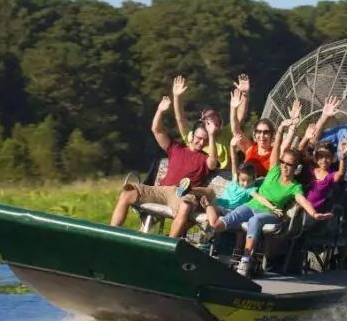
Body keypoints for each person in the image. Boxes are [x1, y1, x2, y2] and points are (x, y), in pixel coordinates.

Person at [207, 119, 333, 276]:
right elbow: (278, 147)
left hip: (271, 214)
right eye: (283, 162)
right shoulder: (274, 171)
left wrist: (314, 213)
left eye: (290, 164)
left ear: (295, 167)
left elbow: (303, 200)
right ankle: (207, 241)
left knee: (255, 221)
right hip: (252, 205)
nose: (285, 166)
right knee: (229, 217)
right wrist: (280, 129)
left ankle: (245, 262)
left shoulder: (295, 186)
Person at [109, 96, 218, 238]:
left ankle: (169, 245)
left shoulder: (205, 158)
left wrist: (212, 135)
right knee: (127, 192)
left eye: (205, 140)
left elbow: (213, 163)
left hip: (183, 195)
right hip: (162, 190)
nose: (200, 142)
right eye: (198, 138)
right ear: (192, 135)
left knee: (185, 207)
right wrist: (160, 111)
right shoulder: (176, 148)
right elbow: (156, 130)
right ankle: (111, 233)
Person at [172, 74, 250, 171]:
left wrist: (244, 94)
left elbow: (239, 118)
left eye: (215, 123)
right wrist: (176, 97)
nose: (211, 126)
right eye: (208, 121)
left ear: (220, 125)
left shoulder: (224, 134)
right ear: (202, 122)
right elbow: (180, 118)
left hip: (225, 176)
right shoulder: (194, 136)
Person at [229, 89, 301, 177]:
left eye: (266, 132)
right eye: (259, 132)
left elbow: (287, 142)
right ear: (255, 134)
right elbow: (236, 131)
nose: (262, 135)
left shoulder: (275, 153)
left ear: (272, 135)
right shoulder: (250, 149)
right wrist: (233, 109)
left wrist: (293, 122)